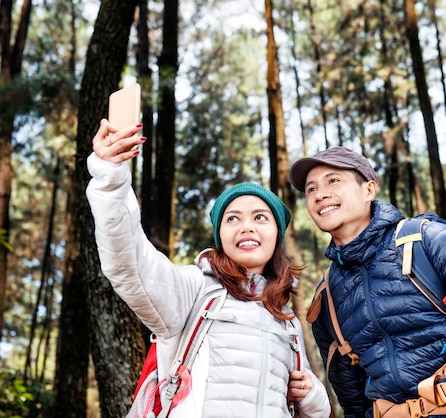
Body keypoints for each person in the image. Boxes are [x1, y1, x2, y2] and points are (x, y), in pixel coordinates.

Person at [86, 119, 331, 418]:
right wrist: (110, 175)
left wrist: (315, 396)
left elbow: (306, 407)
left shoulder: (286, 319)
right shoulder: (194, 289)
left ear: (276, 236)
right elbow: (130, 264)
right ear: (220, 236)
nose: (246, 227)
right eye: (232, 219)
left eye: (260, 218)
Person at [288, 146, 446, 418]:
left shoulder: (427, 241)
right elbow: (354, 404)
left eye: (333, 181)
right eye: (311, 189)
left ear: (369, 190)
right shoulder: (327, 298)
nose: (320, 194)